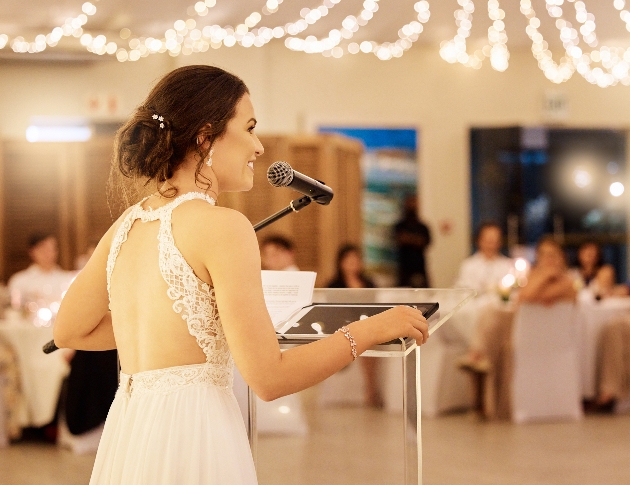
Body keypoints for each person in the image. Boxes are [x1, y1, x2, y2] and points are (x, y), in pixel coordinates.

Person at [52, 65, 429, 485]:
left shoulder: (126, 226)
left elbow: (69, 331)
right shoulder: (223, 227)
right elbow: (270, 378)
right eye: (249, 128)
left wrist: (175, 327)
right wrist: (373, 327)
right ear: (204, 136)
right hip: (194, 432)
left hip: (132, 431)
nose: (259, 145)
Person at [459, 236, 576, 420]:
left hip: (543, 339)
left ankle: (476, 356)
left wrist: (543, 276)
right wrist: (539, 282)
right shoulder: (535, 277)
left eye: (552, 255)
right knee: (491, 322)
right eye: (543, 255)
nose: (548, 260)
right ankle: (478, 361)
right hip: (525, 332)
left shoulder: (566, 282)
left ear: (562, 257)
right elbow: (523, 299)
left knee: (492, 318)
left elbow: (525, 297)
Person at [327, 245, 382, 407]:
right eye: (348, 260)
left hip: (365, 325)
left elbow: (375, 308)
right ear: (341, 263)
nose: (352, 263)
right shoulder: (334, 285)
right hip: (342, 326)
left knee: (369, 344)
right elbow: (332, 312)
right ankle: (368, 390)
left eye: (355, 260)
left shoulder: (369, 283)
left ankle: (371, 389)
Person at [8, 233, 74, 307]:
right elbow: (15, 308)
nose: (48, 254)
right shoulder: (19, 281)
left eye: (52, 249)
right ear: (32, 252)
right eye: (43, 249)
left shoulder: (67, 279)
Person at [454, 222, 514, 294]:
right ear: (479, 240)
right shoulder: (468, 265)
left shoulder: (508, 265)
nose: (491, 244)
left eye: (495, 240)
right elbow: (461, 290)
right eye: (488, 240)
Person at [394, 195, 431, 287]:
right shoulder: (400, 226)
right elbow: (399, 239)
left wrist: (408, 238)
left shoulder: (423, 227)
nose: (412, 206)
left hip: (419, 267)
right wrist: (416, 240)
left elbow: (425, 241)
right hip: (404, 268)